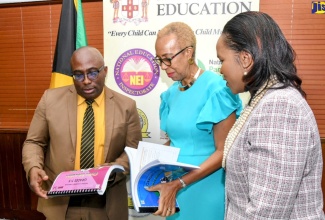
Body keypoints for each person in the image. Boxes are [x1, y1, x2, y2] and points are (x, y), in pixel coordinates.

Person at [217, 11, 324, 219]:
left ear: (245, 59)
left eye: (221, 60)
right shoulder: (266, 99)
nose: (220, 69)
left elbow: (266, 213)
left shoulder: (279, 107)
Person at [22, 46, 142, 220]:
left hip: (106, 203)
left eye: (93, 72)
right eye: (78, 74)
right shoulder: (50, 100)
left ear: (105, 71)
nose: (86, 80)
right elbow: (34, 142)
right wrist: (33, 167)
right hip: (60, 203)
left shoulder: (126, 106)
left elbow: (134, 150)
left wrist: (113, 169)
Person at [147, 22, 242, 219]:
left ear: (188, 52)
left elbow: (224, 151)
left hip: (207, 189)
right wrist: (149, 163)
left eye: (168, 59)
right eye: (159, 60)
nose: (164, 67)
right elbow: (175, 141)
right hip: (174, 192)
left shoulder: (217, 89)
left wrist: (181, 183)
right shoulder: (169, 95)